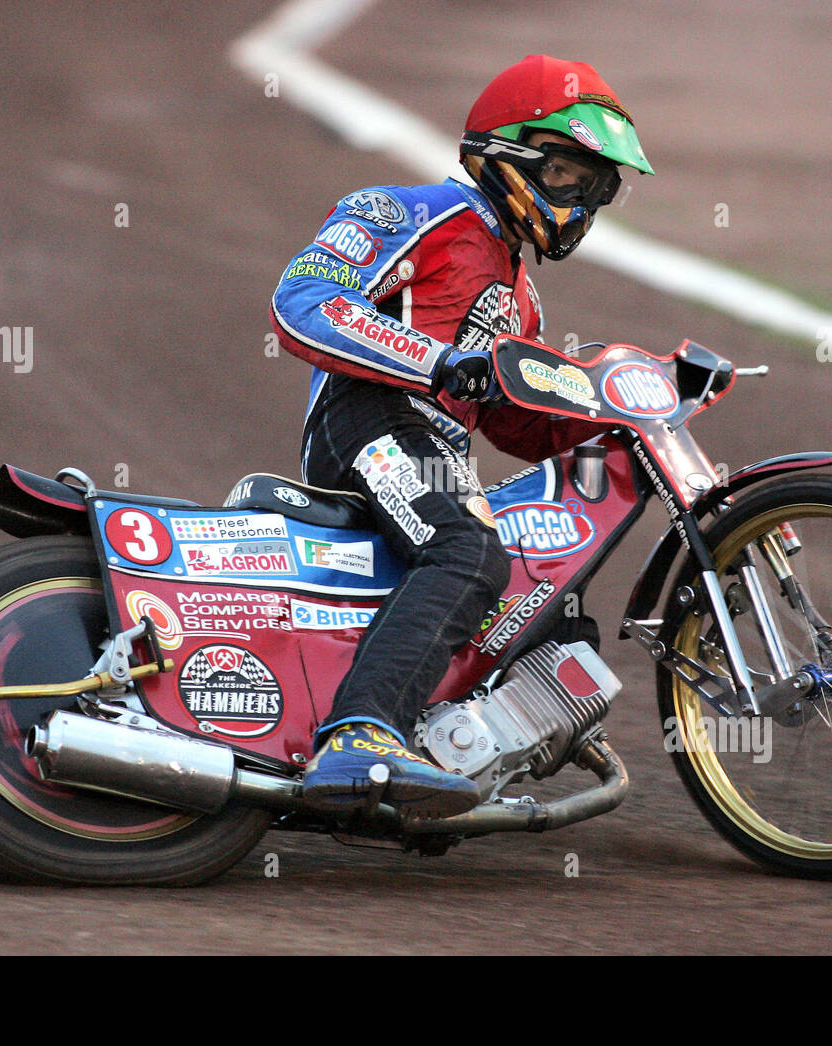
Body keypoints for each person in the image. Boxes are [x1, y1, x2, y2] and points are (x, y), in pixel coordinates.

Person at [269, 54, 653, 818]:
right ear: (508, 153)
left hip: (438, 452)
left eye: (597, 188)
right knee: (471, 550)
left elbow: (513, 421)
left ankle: (452, 745)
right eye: (570, 174)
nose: (583, 200)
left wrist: (619, 419)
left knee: (539, 585)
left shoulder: (522, 295)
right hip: (369, 418)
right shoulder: (402, 210)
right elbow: (302, 300)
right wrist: (438, 360)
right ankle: (359, 735)